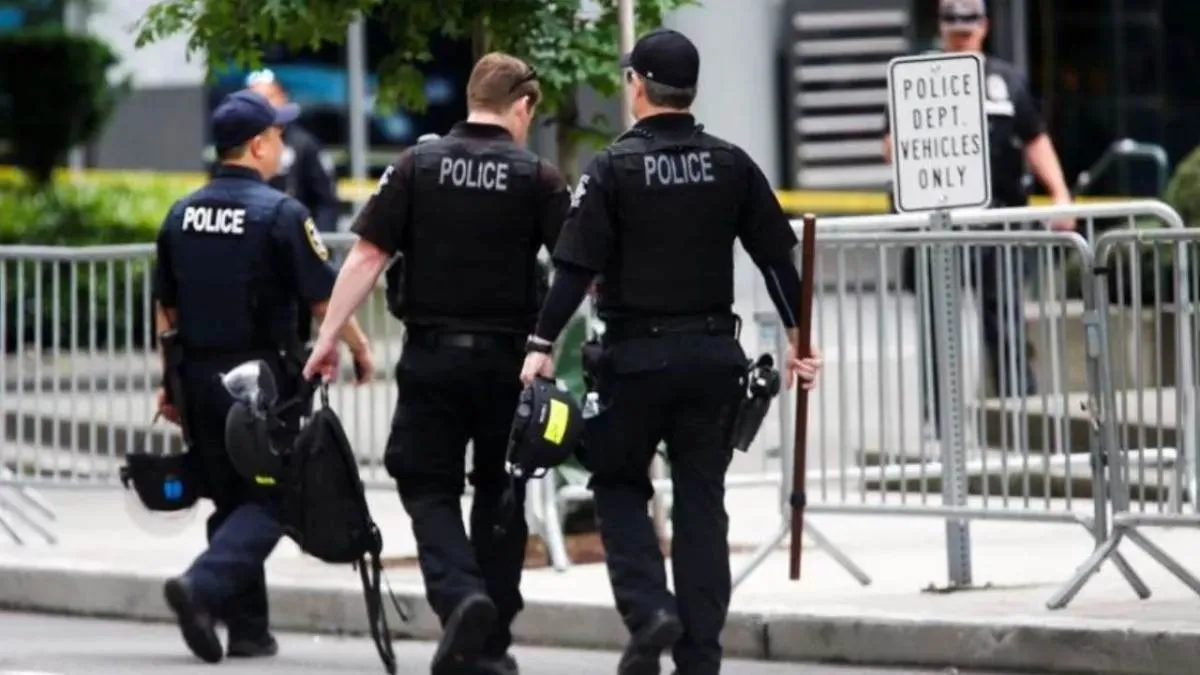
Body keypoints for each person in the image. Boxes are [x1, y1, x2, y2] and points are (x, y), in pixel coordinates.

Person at [517, 28, 823, 675]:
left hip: (634, 361)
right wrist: (800, 334)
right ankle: (700, 657)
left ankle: (650, 608)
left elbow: (574, 269)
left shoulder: (612, 169)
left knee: (619, 484)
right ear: (691, 91)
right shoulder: (731, 163)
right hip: (713, 359)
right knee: (702, 503)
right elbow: (777, 259)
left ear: (637, 86)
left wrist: (541, 344)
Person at [301, 52, 569, 675]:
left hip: (432, 360)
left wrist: (328, 338)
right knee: (502, 492)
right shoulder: (539, 177)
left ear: (472, 99)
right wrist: (549, 343)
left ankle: (460, 597)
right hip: (511, 366)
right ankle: (491, 643)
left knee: (427, 485)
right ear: (522, 106)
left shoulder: (415, 166)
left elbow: (366, 258)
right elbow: (575, 272)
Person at [153, 88, 373, 664]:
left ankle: (248, 631)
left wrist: (168, 383)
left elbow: (166, 313)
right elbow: (324, 299)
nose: (282, 145)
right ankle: (201, 587)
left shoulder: (181, 214)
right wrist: (360, 348)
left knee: (232, 497)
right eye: (276, 136)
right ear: (257, 146)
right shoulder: (281, 213)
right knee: (278, 495)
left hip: (197, 379)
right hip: (261, 383)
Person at [883, 0, 1073, 434]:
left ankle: (1018, 418)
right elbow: (890, 146)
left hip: (997, 220)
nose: (961, 34)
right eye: (953, 26)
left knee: (1004, 321)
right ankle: (941, 422)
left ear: (984, 27)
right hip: (935, 225)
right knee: (938, 326)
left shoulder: (1006, 80)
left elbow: (1035, 138)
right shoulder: (919, 79)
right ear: (941, 27)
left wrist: (1059, 193)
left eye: (968, 26)